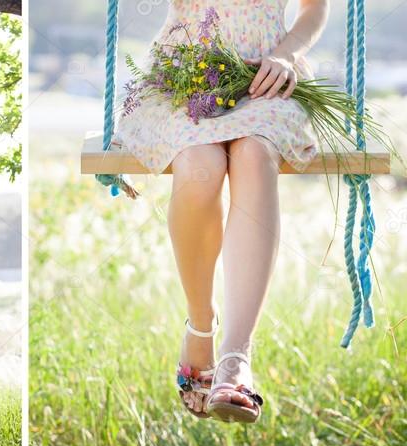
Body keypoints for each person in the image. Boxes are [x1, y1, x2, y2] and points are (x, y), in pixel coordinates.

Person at [115, 0, 330, 423]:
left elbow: (314, 6)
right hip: (187, 76)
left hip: (267, 77)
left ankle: (236, 358)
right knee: (199, 166)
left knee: (253, 155)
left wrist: (286, 53)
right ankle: (200, 326)